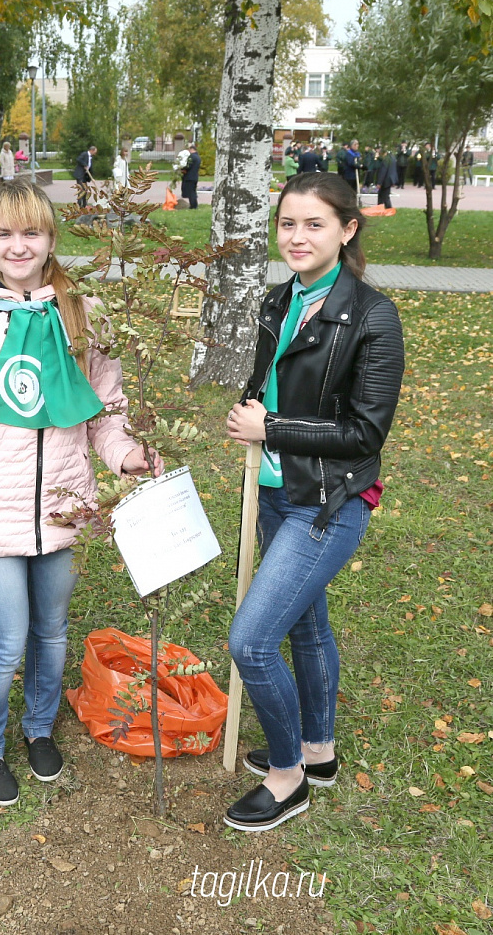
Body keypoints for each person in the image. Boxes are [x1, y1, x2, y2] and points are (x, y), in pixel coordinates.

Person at [0, 180, 162, 806]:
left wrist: (127, 453)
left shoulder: (80, 316)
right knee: (7, 640)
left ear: (52, 238)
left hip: (63, 509)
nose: (18, 245)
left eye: (31, 232)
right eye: (4, 234)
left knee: (51, 634)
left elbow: (104, 410)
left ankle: (38, 729)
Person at [224, 172, 404, 832]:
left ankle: (287, 774)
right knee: (305, 624)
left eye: (314, 224)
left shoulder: (373, 316)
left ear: (347, 229)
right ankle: (318, 750)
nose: (296, 237)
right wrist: (250, 407)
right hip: (274, 491)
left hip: (329, 503)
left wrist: (270, 428)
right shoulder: (280, 299)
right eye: (287, 224)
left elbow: (365, 431)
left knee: (250, 640)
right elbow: (269, 380)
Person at [181, 143, 201, 209]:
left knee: (191, 192)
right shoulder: (198, 157)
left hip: (189, 177)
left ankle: (193, 206)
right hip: (195, 176)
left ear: (191, 149)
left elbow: (188, 166)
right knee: (193, 191)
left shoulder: (192, 157)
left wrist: (183, 169)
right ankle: (194, 205)